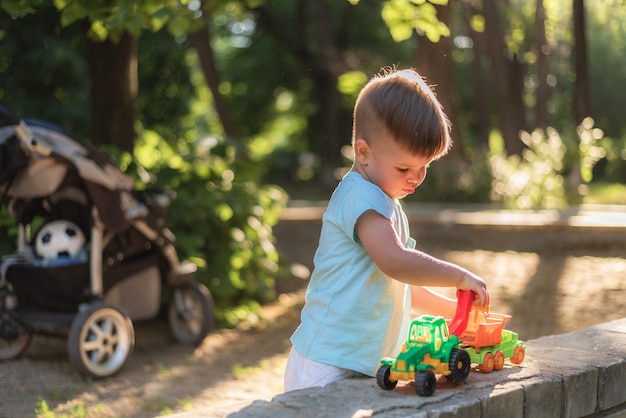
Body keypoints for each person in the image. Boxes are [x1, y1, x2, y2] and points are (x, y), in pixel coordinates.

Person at [283, 67, 490, 392]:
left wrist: (455, 311)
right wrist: (458, 277)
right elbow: (397, 261)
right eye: (404, 167)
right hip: (327, 363)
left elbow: (403, 283)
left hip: (362, 362)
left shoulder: (386, 204)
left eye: (424, 166)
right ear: (363, 152)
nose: (417, 177)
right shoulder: (359, 196)